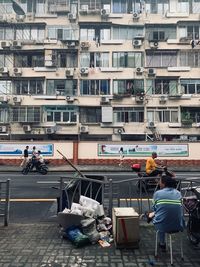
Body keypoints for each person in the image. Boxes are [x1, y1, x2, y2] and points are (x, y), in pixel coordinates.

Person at [145, 175, 184, 250]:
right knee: (163, 214)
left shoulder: (158, 193)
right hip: (178, 225)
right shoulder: (178, 193)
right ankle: (149, 216)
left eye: (160, 181)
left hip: (162, 225)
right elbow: (180, 206)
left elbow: (155, 208)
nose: (159, 183)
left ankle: (162, 243)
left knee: (159, 217)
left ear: (164, 183)